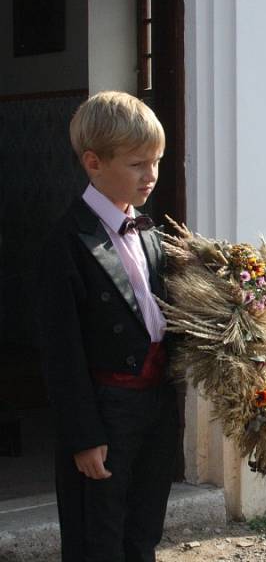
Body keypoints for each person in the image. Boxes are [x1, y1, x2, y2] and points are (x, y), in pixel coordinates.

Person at [39, 91, 178, 562]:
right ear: (94, 163)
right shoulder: (66, 242)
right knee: (98, 535)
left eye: (157, 161)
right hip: (105, 412)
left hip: (154, 408)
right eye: (138, 163)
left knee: (144, 529)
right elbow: (61, 350)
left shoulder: (151, 231)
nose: (152, 175)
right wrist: (83, 435)